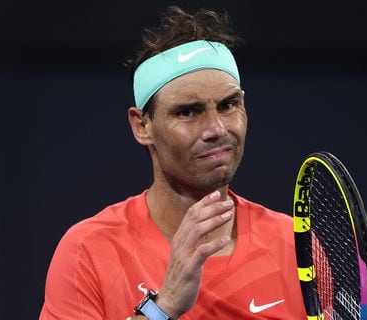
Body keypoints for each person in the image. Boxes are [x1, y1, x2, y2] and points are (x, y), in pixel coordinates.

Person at [40, 6, 306, 320]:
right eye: (188, 112)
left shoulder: (298, 247)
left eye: (228, 105)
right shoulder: (87, 251)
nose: (217, 129)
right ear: (142, 125)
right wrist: (162, 307)